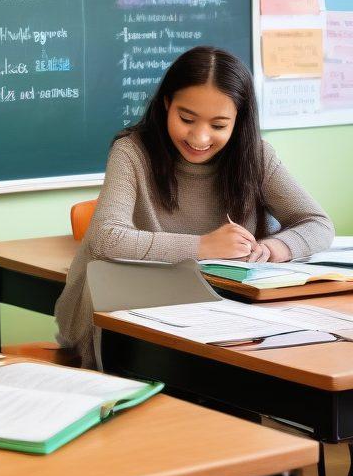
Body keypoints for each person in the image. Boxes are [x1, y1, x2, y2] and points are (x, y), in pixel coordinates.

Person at [55, 46, 333, 368]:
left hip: (224, 311)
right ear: (166, 105)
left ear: (238, 121)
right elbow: (106, 238)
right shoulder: (131, 152)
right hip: (130, 311)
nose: (200, 137)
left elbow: (317, 223)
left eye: (218, 125)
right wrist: (203, 246)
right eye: (186, 119)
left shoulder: (255, 155)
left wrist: (275, 248)